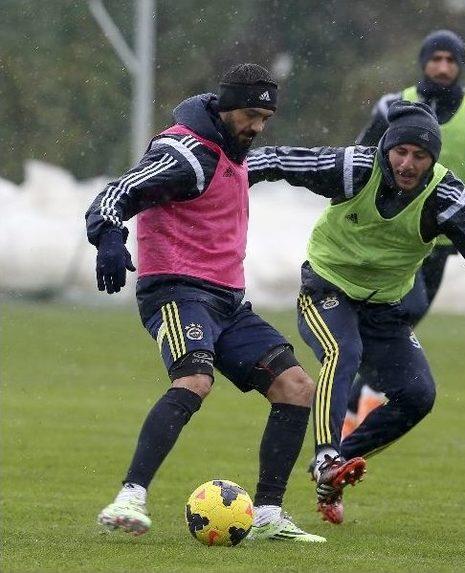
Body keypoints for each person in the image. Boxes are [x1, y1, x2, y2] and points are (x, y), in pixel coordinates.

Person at [248, 100, 465, 524]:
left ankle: (335, 469)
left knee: (418, 396)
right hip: (326, 288)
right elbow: (276, 160)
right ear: (386, 149)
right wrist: (216, 181)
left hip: (384, 308)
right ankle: (326, 456)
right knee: (344, 351)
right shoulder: (355, 167)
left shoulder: (447, 199)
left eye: (420, 155)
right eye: (400, 152)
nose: (407, 163)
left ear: (434, 159)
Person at [85, 63, 326, 543]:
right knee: (195, 378)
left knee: (296, 386)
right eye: (251, 115)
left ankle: (268, 514)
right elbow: (117, 192)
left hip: (228, 301)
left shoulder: (236, 152)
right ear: (227, 106)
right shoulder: (185, 155)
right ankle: (130, 496)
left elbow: (284, 159)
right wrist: (109, 238)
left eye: (265, 119)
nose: (257, 127)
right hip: (175, 290)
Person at [347, 29, 465, 430]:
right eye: (436, 59)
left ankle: (355, 405)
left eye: (451, 60)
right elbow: (356, 161)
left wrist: (460, 202)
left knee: (402, 320)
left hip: (436, 245)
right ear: (423, 61)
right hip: (384, 238)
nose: (443, 67)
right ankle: (358, 406)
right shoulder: (392, 106)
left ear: (461, 66)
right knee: (390, 321)